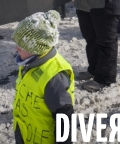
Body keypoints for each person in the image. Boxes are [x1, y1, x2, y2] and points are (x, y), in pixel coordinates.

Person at [12, 10, 74, 144]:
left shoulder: (54, 76)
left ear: (36, 48)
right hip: (25, 132)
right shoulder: (29, 62)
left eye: (21, 46)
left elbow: (64, 117)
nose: (16, 48)